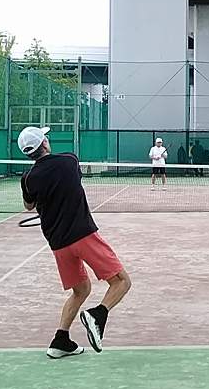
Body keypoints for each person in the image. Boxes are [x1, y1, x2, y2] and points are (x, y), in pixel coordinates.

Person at [17, 126, 131, 358]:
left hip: (58, 244)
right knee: (122, 282)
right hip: (83, 235)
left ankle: (60, 340)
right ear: (45, 143)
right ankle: (98, 315)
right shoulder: (69, 160)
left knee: (81, 290)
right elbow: (72, 180)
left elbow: (29, 206)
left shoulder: (27, 179)